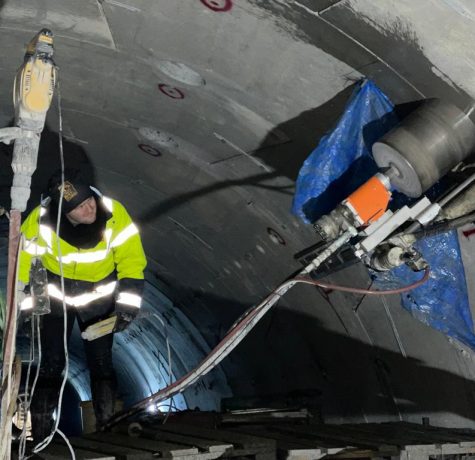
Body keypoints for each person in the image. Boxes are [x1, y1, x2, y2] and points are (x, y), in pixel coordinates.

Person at [18, 170, 147, 440]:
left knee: (101, 362)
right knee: (52, 363)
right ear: (65, 213)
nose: (90, 208)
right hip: (56, 296)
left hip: (97, 298)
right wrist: (28, 307)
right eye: (80, 207)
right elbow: (24, 266)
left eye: (90, 200)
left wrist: (128, 305)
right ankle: (41, 435)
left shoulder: (114, 214)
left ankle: (106, 430)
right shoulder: (40, 221)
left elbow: (131, 260)